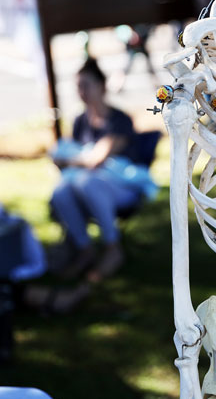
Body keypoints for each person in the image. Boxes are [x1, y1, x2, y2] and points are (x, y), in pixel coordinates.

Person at [50, 58, 145, 282]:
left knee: (87, 182)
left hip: (122, 187)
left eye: (86, 85)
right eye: (78, 87)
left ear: (101, 86)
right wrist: (76, 160)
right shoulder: (80, 121)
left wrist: (69, 160)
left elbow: (95, 159)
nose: (82, 92)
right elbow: (80, 158)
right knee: (62, 190)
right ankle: (85, 249)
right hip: (91, 187)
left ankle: (113, 248)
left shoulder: (118, 119)